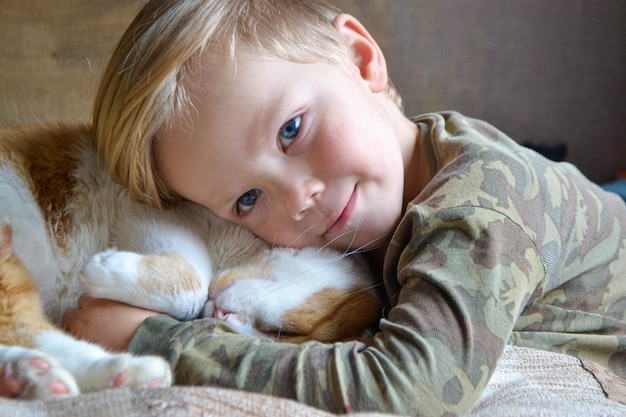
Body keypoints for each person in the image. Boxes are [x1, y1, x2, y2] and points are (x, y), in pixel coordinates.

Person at [47, 0, 626, 415]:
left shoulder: (477, 209)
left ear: (360, 57)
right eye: (248, 199)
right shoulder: (389, 190)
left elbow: (405, 391)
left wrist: (154, 339)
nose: (297, 199)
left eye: (291, 130)